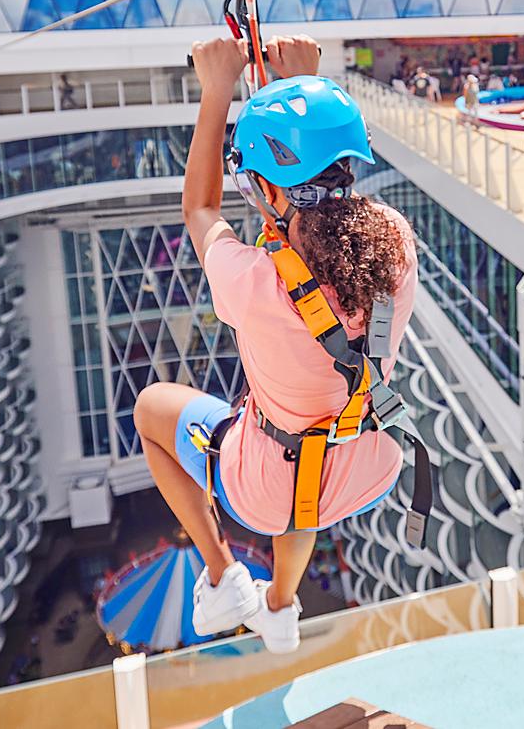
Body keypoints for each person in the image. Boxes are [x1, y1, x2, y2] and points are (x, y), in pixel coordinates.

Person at [134, 34, 419, 655]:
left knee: (152, 409)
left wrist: (217, 93)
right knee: (304, 471)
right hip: (362, 460)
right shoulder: (394, 242)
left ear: (272, 192)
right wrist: (304, 94)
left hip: (266, 482)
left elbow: (201, 209)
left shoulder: (253, 279)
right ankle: (280, 608)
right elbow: (319, 215)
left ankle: (221, 578)